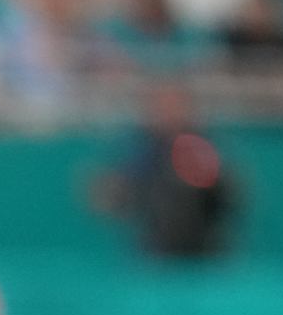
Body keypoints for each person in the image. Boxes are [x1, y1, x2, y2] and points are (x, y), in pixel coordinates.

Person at [92, 82, 240, 259]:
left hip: (204, 252)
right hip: (154, 253)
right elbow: (113, 200)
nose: (168, 113)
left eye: (175, 105)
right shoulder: (138, 151)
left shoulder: (207, 148)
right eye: (161, 106)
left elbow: (229, 199)